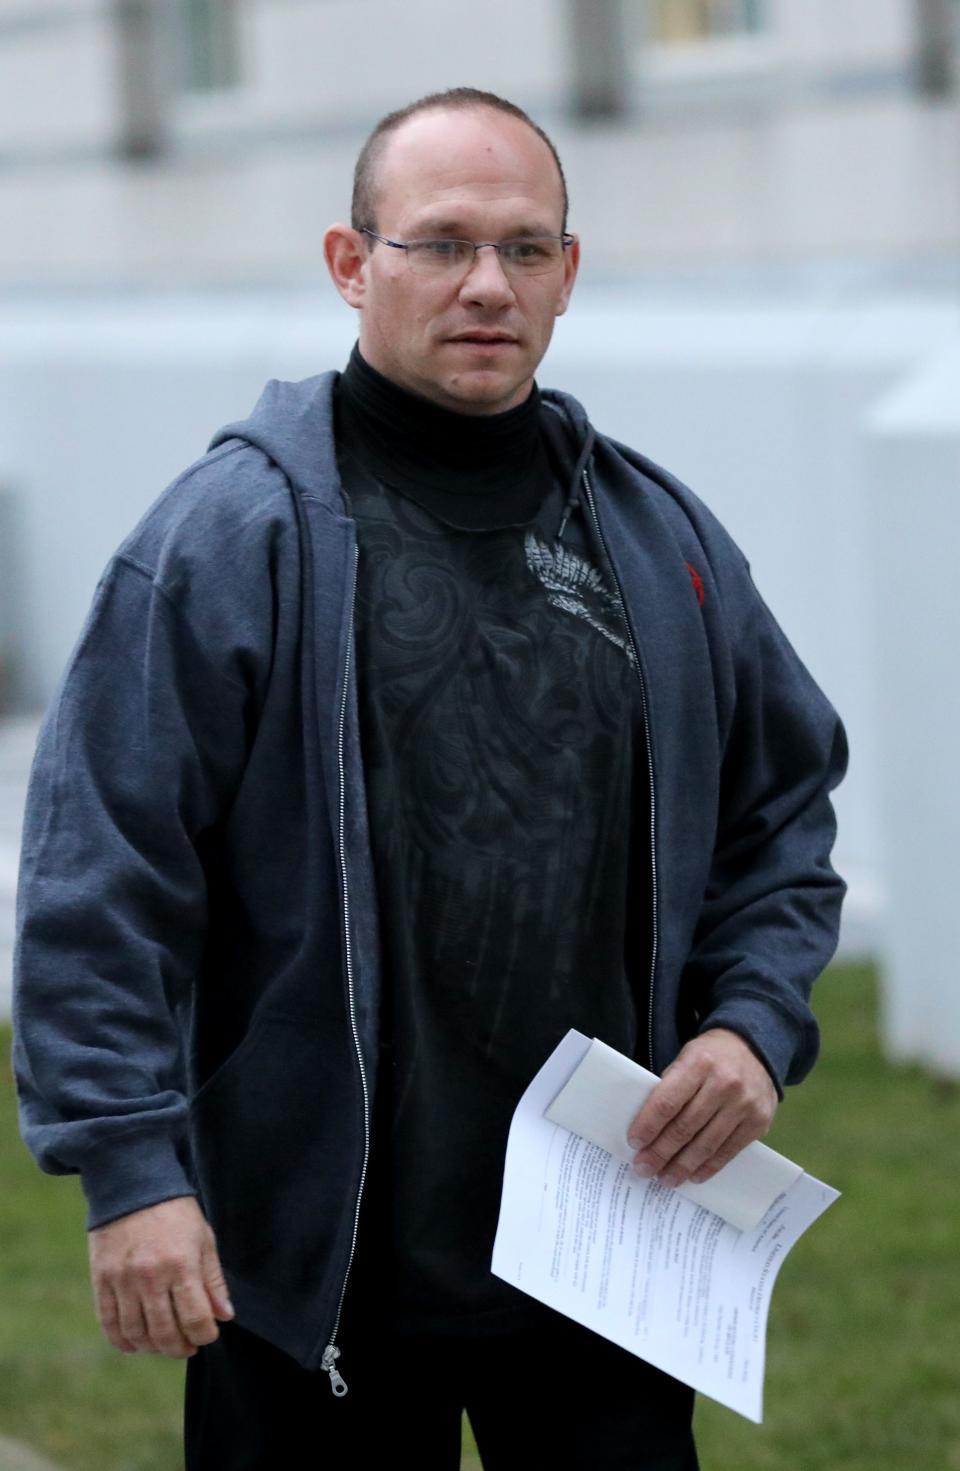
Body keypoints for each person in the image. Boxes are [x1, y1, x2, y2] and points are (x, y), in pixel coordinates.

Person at [11, 87, 847, 1469]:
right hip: (310, 1274)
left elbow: (779, 812)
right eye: (439, 243)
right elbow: (101, 873)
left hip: (607, 1258)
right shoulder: (231, 539)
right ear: (352, 265)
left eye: (525, 249)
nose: (485, 285)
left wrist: (751, 1025)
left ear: (569, 275)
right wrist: (130, 1174)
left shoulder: (660, 540)